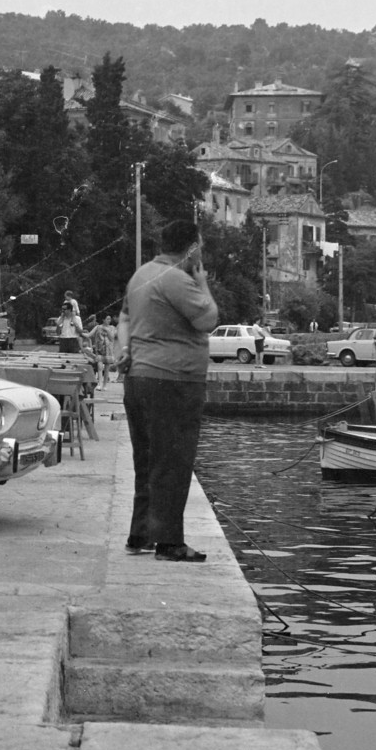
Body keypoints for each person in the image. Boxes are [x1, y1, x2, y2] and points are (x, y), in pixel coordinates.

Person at [115, 217, 218, 563]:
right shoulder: (177, 279)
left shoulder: (141, 274)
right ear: (191, 248)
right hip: (173, 381)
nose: (201, 252)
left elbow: (124, 318)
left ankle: (140, 534)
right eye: (199, 245)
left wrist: (124, 349)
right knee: (173, 461)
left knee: (146, 461)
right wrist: (202, 283)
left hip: (140, 379)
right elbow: (208, 319)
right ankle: (170, 542)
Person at [90, 314, 117, 385]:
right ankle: (99, 383)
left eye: (110, 319)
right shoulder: (98, 327)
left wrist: (108, 331)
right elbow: (90, 334)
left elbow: (111, 338)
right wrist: (80, 333)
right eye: (107, 319)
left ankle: (105, 385)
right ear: (103, 320)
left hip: (108, 351)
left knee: (106, 369)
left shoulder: (112, 328)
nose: (109, 320)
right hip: (99, 350)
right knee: (99, 366)